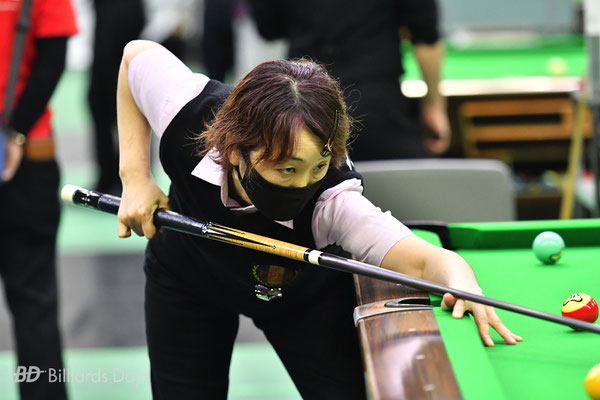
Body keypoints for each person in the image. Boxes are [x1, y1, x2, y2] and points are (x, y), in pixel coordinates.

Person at [116, 39, 521, 399]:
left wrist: (461, 281)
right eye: (287, 169)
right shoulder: (187, 111)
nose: (303, 184)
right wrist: (134, 177)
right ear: (236, 151)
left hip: (302, 297)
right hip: (188, 276)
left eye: (318, 167)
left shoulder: (335, 202)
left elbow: (424, 261)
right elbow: (135, 55)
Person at [248, 0, 451, 161]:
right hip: (379, 106)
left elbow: (269, 28)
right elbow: (425, 36)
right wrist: (434, 106)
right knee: (413, 190)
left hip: (306, 106)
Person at [0, 0, 78, 399]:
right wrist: (15, 131)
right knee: (34, 301)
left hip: (25, 162)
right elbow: (52, 61)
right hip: (27, 156)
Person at [88, 0, 145, 194]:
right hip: (118, 16)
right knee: (108, 106)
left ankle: (124, 180)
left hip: (116, 18)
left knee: (113, 107)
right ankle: (115, 178)